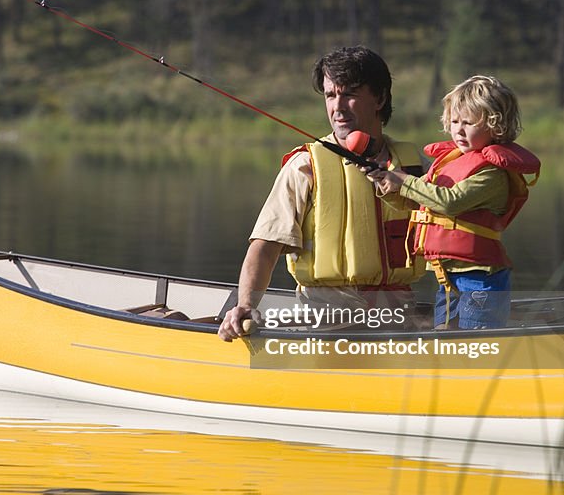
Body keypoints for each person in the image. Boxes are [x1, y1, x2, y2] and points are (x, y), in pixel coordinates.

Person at [218, 47, 425, 341]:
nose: (337, 107)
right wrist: (246, 305)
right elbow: (265, 247)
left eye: (350, 94)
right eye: (330, 95)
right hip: (325, 321)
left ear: (379, 98)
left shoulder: (415, 166)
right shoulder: (304, 166)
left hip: (400, 318)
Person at [366, 74, 540, 330]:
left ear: (496, 125)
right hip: (447, 277)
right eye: (454, 121)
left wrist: (403, 181)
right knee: (446, 346)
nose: (458, 129)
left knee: (474, 348)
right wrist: (386, 183)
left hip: (481, 281)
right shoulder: (448, 162)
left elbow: (450, 202)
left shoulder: (492, 174)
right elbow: (418, 202)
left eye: (468, 123)